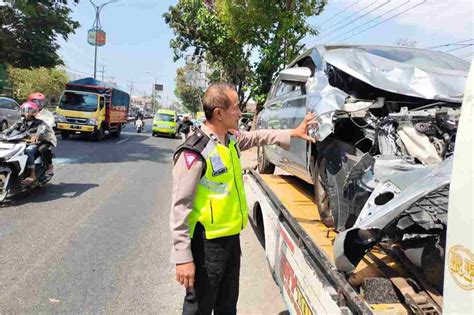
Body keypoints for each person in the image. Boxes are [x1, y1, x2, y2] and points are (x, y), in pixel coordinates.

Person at [170, 83, 317, 314]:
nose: (240, 112)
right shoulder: (194, 153)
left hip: (230, 239)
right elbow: (180, 209)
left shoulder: (231, 140)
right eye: (236, 108)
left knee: (227, 306)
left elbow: (258, 136)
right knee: (199, 307)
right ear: (219, 113)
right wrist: (183, 258)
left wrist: (292, 133)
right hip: (206, 245)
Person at [3, 101, 55, 184]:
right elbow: (10, 129)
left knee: (28, 151)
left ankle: (32, 174)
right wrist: (3, 134)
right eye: (26, 111)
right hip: (25, 141)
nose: (28, 113)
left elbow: (41, 130)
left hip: (39, 142)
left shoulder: (40, 122)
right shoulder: (21, 121)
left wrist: (36, 136)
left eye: (30, 111)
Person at [27, 92, 56, 175]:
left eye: (41, 102)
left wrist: (36, 134)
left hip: (44, 138)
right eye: (36, 102)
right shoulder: (27, 112)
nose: (39, 104)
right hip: (27, 137)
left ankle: (49, 166)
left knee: (42, 148)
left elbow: (45, 127)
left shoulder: (48, 115)